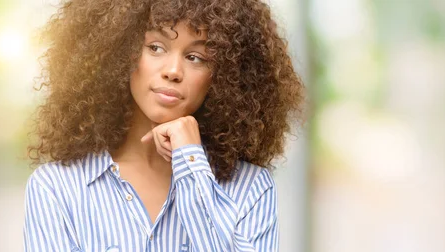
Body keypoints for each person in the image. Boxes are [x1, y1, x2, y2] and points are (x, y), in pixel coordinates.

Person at [23, 0, 304, 251]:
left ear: (223, 77)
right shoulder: (57, 188)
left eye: (196, 57)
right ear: (119, 52)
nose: (173, 71)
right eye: (155, 47)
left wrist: (191, 162)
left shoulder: (250, 189)